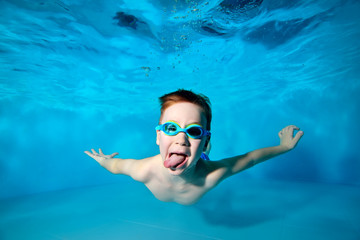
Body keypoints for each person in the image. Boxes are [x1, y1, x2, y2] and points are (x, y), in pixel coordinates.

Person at [85, 89, 304, 205]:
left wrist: (284, 147)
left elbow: (250, 158)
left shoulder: (213, 176)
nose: (181, 139)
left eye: (194, 131)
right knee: (197, 154)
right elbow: (116, 166)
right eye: (171, 128)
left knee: (204, 157)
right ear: (157, 137)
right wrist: (103, 160)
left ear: (204, 139)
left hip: (202, 163)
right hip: (195, 158)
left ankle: (204, 150)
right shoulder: (143, 170)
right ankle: (201, 146)